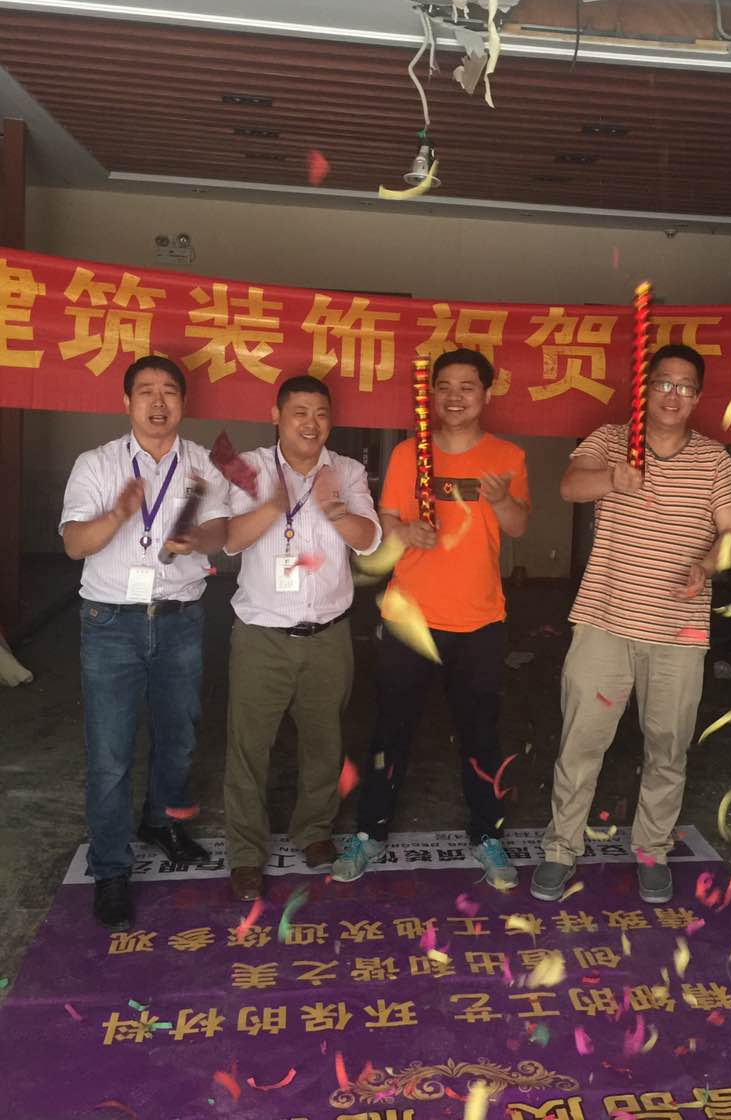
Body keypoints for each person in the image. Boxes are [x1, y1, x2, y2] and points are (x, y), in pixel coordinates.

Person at [532, 343, 731, 904]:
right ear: (644, 389)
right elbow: (569, 485)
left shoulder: (714, 459)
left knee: (668, 748)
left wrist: (708, 565)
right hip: (604, 620)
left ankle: (652, 850)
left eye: (685, 387)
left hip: (679, 631)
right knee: (581, 742)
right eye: (663, 383)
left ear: (697, 397)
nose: (673, 395)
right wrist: (614, 478)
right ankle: (560, 848)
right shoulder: (611, 440)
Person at [332, 348, 530, 889]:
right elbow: (387, 522)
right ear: (431, 395)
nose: (455, 397)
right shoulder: (407, 454)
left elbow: (517, 526)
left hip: (480, 620)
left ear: (486, 393)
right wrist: (407, 532)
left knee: (480, 734)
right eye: (444, 386)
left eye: (467, 386)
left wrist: (502, 499)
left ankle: (487, 834)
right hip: (410, 618)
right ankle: (370, 831)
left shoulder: (507, 455)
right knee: (389, 731)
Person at [60, 355, 230, 929]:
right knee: (110, 754)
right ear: (126, 402)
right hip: (111, 623)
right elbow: (75, 544)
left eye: (169, 392)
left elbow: (223, 531)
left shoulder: (203, 464)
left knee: (179, 739)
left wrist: (196, 538)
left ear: (184, 402)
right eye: (146, 392)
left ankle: (161, 823)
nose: (158, 403)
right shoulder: (96, 464)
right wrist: (119, 513)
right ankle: (111, 869)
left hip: (180, 619)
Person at [223, 374, 380, 901]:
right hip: (261, 637)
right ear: (276, 416)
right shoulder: (248, 468)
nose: (311, 424)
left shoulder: (347, 471)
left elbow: (369, 540)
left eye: (321, 413)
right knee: (249, 748)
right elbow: (228, 539)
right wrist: (274, 504)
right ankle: (246, 853)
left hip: (329, 635)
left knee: (324, 742)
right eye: (299, 412)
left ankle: (314, 830)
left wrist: (335, 509)